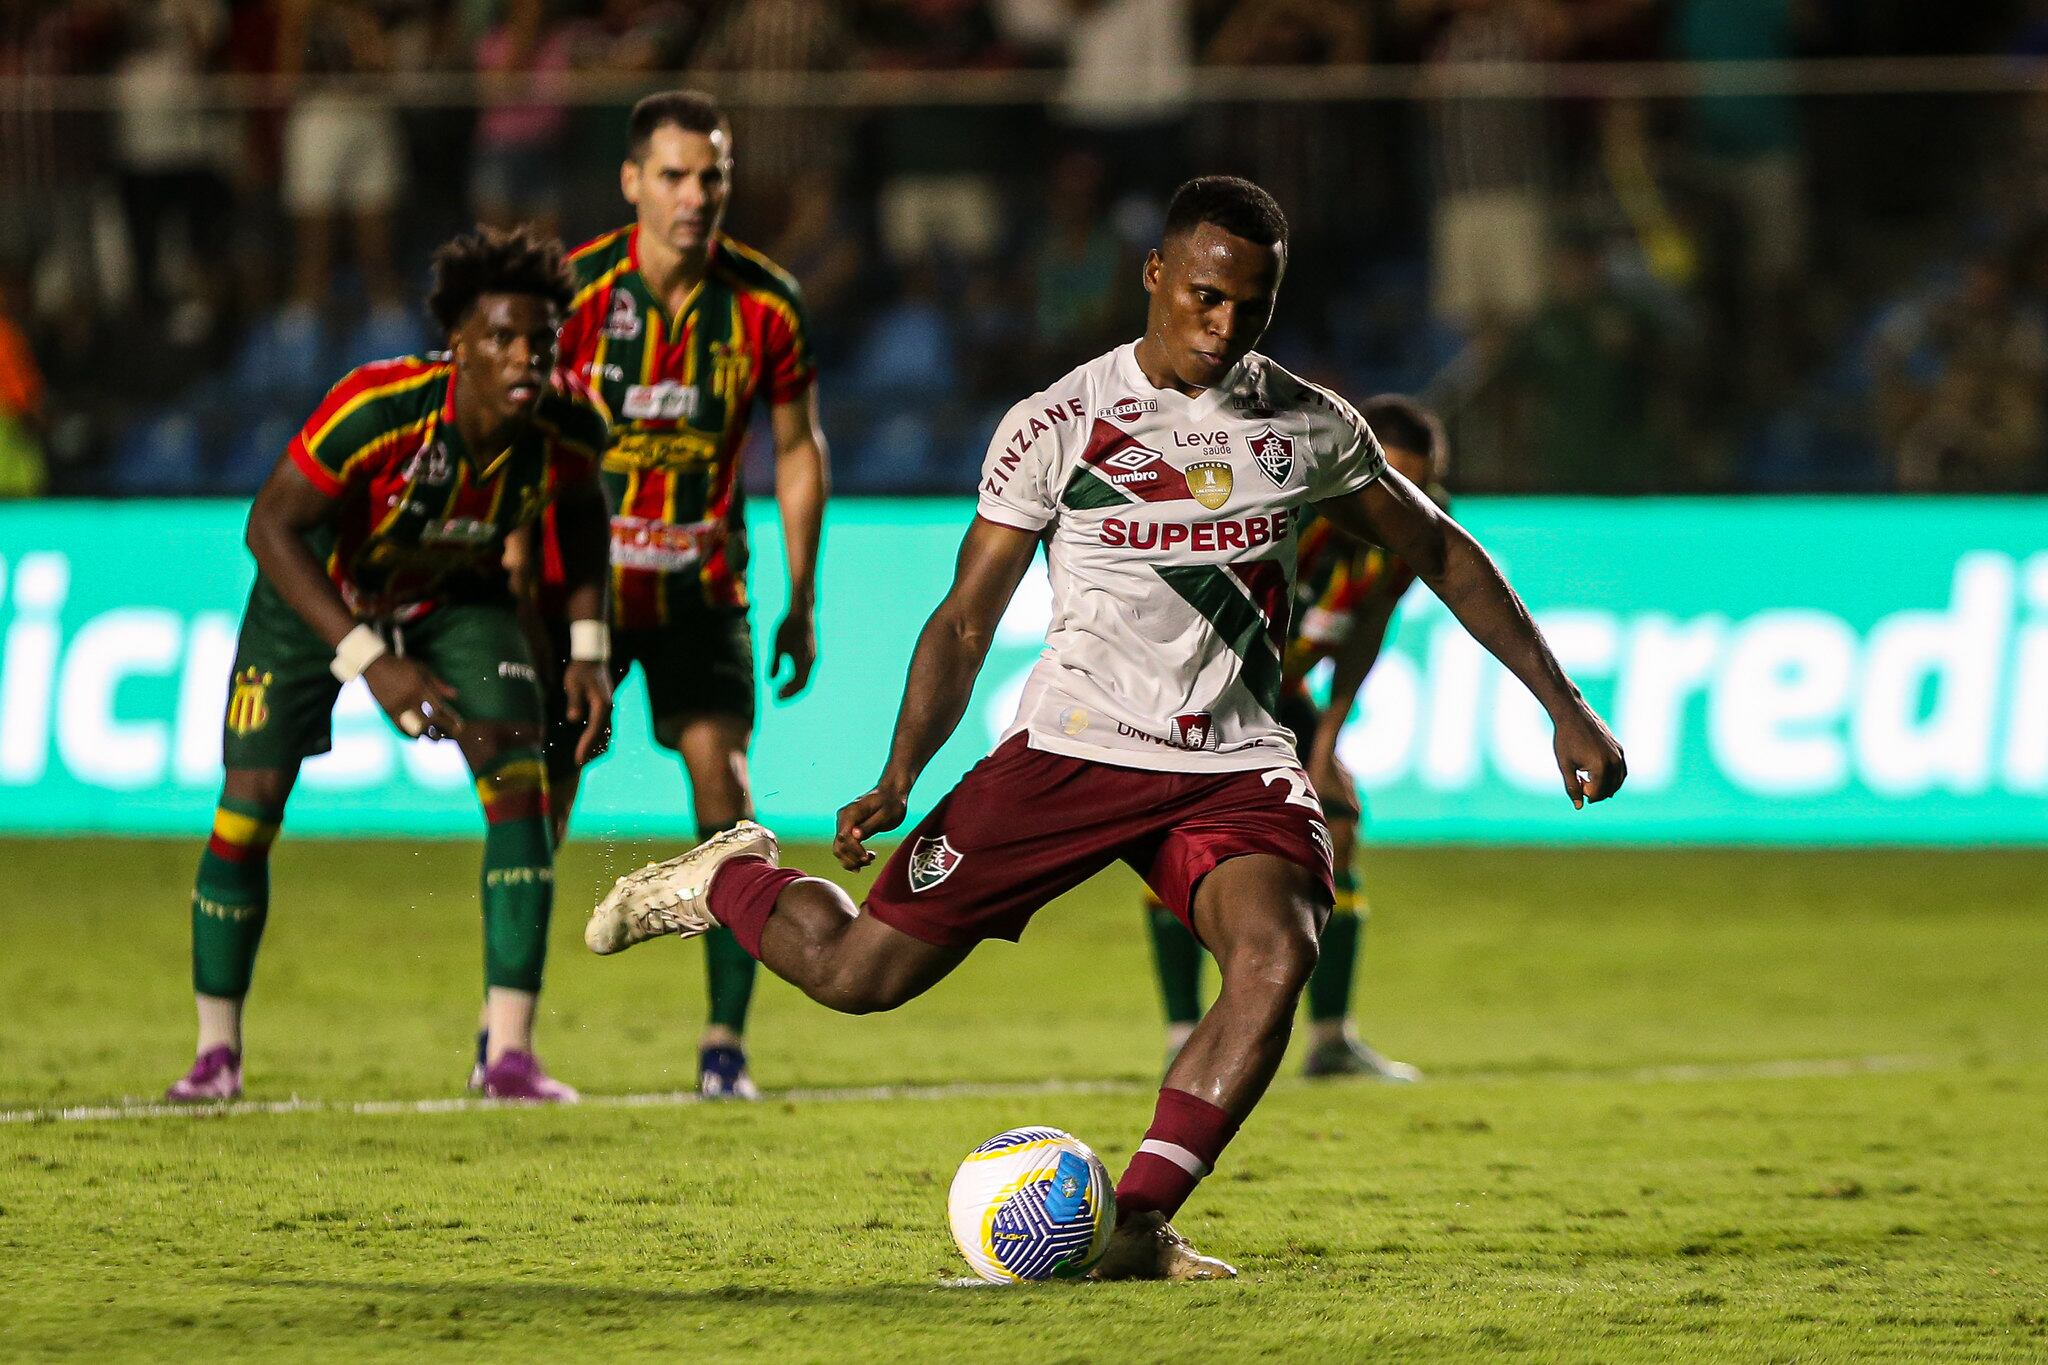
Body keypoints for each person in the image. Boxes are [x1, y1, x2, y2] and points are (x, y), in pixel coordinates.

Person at [584, 176, 1625, 1278]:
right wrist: (901, 771)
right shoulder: (1057, 424)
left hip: (1231, 763)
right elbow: (965, 614)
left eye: (1252, 308)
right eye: (1207, 298)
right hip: (1074, 750)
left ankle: (1132, 1225)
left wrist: (1565, 708)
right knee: (854, 977)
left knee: (1275, 954)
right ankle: (729, 881)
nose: (1224, 328)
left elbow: (1443, 552)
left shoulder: (1305, 426)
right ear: (1157, 277)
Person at [163, 227, 614, 1105]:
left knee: (522, 784)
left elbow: (584, 511)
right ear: (459, 346)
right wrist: (371, 660)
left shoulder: (569, 423)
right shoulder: (377, 407)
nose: (524, 356)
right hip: (317, 600)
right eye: (500, 338)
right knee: (248, 808)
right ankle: (215, 1055)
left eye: (540, 341)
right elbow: (269, 528)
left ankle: (510, 1055)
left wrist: (589, 648)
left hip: (457, 599)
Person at [529, 90, 830, 1101]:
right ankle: (509, 1042)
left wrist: (803, 594)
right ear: (631, 183)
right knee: (542, 788)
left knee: (725, 800)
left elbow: (796, 451)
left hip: (704, 588)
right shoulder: (575, 296)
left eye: (711, 177)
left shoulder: (765, 304)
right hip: (589, 590)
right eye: (673, 176)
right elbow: (530, 446)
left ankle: (722, 1048)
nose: (694, 195)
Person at [1144, 394, 1448, 1082]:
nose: (1390, 500)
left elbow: (1369, 625)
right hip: (1195, 682)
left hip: (1283, 692)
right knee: (1173, 839)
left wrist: (1327, 743)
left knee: (1339, 825)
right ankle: (1183, 1034)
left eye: (1411, 486)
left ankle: (1333, 1039)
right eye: (1382, 480)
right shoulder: (1285, 507)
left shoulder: (1415, 531)